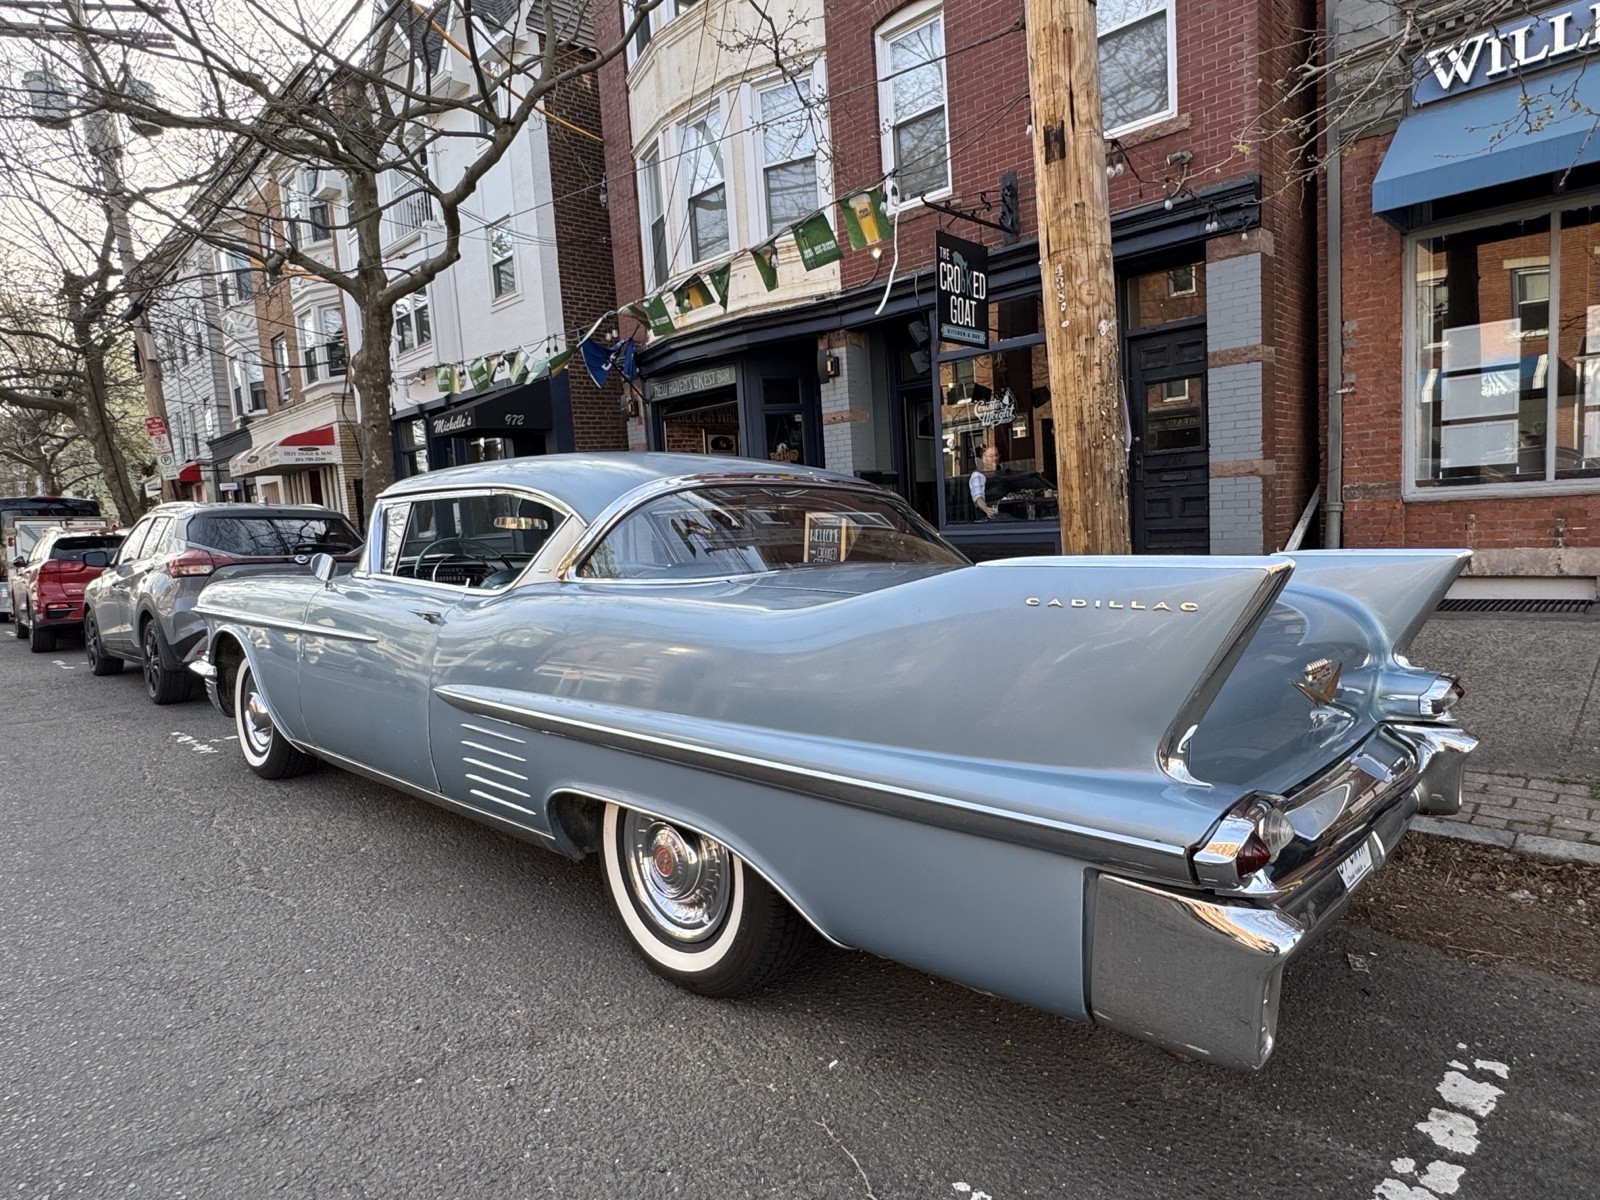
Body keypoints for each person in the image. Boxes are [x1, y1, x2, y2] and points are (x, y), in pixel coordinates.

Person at [969, 445, 1002, 520]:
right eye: (991, 456)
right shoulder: (977, 476)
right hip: (986, 518)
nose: (996, 458)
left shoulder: (1000, 474)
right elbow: (978, 497)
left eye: (997, 455)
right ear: (984, 459)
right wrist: (986, 509)